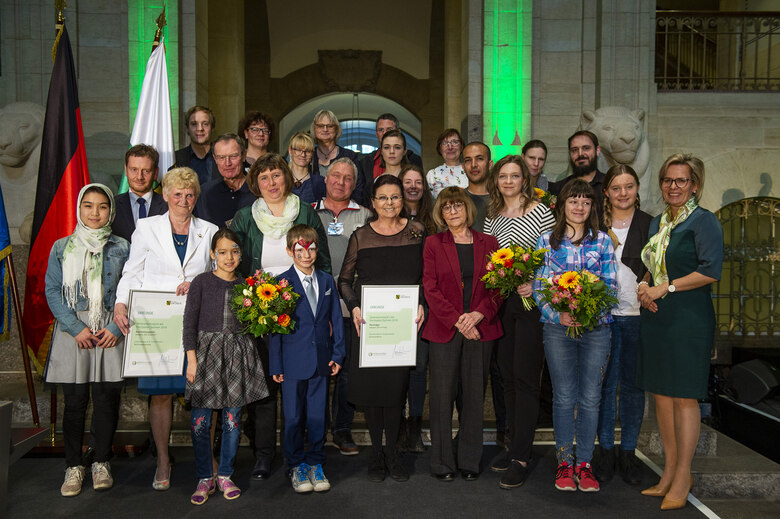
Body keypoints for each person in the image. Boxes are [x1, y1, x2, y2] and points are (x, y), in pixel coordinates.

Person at [114, 167, 218, 491]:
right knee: (160, 396)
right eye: (177, 194)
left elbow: (218, 273)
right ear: (165, 195)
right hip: (156, 324)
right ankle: (162, 459)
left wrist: (198, 283)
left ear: (195, 197)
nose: (183, 200)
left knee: (203, 396)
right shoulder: (145, 229)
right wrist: (120, 302)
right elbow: (132, 271)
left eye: (189, 194)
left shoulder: (211, 230)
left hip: (198, 325)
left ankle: (208, 458)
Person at [229, 153, 331, 480]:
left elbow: (324, 261)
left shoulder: (304, 213)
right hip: (260, 312)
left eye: (276, 176)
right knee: (264, 387)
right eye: (264, 178)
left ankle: (301, 455)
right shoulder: (245, 216)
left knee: (300, 386)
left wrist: (323, 310)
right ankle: (263, 454)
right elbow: (238, 266)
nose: (272, 183)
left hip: (301, 315)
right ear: (255, 184)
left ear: (286, 178)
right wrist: (253, 302)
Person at [637, 154, 723, 511]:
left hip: (689, 318)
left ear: (695, 186)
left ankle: (684, 474)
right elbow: (653, 267)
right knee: (662, 395)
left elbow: (710, 270)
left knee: (685, 397)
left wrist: (665, 288)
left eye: (681, 181)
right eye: (668, 180)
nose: (674, 187)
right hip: (658, 316)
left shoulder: (705, 222)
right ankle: (669, 471)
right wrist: (644, 288)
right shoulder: (659, 222)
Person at [339, 174, 425, 483]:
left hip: (402, 325)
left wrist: (422, 303)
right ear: (373, 203)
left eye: (395, 197)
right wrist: (355, 306)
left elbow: (427, 276)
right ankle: (377, 453)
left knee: (395, 392)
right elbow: (344, 280)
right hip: (369, 324)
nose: (389, 203)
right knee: (372, 393)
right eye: (383, 198)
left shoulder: (417, 232)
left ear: (403, 199)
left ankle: (393, 452)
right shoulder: (361, 236)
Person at [45, 184, 129, 497]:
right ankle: (73, 466)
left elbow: (131, 288)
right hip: (74, 330)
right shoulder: (61, 247)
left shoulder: (123, 247)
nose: (95, 213)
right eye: (88, 206)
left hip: (109, 328)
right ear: (79, 209)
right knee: (75, 402)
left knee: (107, 400)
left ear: (111, 211)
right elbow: (53, 290)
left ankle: (101, 461)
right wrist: (74, 326)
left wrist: (118, 329)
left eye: (102, 206)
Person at [532, 179, 617, 493]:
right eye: (573, 200)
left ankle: (585, 463)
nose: (579, 207)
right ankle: (564, 463)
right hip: (557, 330)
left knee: (591, 399)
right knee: (564, 398)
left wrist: (586, 314)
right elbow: (541, 288)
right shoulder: (546, 241)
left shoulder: (603, 241)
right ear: (562, 205)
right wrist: (560, 314)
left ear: (592, 206)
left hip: (597, 330)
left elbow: (610, 288)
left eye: (585, 201)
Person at [482, 155, 555, 489]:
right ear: (496, 181)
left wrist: (535, 282)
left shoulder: (541, 212)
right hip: (501, 301)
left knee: (526, 379)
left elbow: (555, 255)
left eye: (515, 176)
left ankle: (522, 457)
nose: (508, 181)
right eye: (503, 176)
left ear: (525, 179)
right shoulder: (492, 216)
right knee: (507, 378)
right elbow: (486, 258)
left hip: (530, 303)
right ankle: (513, 445)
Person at [184, 228, 269, 505]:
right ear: (212, 254)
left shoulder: (247, 285)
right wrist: (192, 360)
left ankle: (226, 475)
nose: (229, 257)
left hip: (237, 354)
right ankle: (204, 476)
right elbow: (189, 323)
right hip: (206, 355)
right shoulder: (200, 283)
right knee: (201, 421)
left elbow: (253, 324)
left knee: (233, 420)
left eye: (234, 251)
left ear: (240, 254)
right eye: (222, 252)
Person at [423, 187, 502, 482]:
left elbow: (498, 286)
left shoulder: (489, 242)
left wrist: (478, 315)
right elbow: (430, 288)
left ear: (468, 209)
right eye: (446, 207)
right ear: (440, 213)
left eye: (457, 205)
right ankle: (442, 462)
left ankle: (470, 460)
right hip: (445, 329)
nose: (452, 211)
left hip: (482, 328)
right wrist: (459, 320)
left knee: (473, 396)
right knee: (442, 397)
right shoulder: (433, 243)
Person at [269, 225, 346, 494]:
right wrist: (276, 364)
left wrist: (337, 354)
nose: (306, 254)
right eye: (300, 249)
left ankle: (315, 461)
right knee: (292, 416)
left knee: (316, 415)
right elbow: (275, 328)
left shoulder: (326, 281)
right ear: (291, 251)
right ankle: (296, 464)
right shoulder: (280, 284)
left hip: (321, 360)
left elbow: (335, 318)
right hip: (292, 362)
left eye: (311, 248)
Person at [593, 165, 652, 485]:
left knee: (632, 387)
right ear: (606, 192)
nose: (623, 193)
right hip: (603, 317)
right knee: (604, 387)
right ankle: (605, 450)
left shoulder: (650, 224)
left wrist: (650, 280)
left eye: (629, 186)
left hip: (638, 317)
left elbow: (661, 266)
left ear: (637, 188)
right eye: (616, 188)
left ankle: (628, 451)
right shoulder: (596, 225)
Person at [313, 158, 372, 456]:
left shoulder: (366, 215)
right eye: (335, 175)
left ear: (354, 183)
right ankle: (317, 429)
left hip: (352, 306)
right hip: (316, 307)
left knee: (348, 370)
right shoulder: (307, 213)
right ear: (325, 178)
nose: (341, 182)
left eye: (348, 178)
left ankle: (342, 429)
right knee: (319, 369)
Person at [358, 113, 423, 204]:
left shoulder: (413, 162)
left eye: (397, 147)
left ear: (404, 151)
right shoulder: (365, 163)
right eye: (387, 147)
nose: (391, 152)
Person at [195, 133, 256, 228]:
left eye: (233, 156)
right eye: (221, 157)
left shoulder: (259, 190)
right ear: (215, 159)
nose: (227, 163)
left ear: (244, 155)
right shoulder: (204, 193)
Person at [112, 145, 167, 242]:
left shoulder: (169, 206)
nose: (139, 177)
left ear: (155, 173)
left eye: (146, 171)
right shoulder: (112, 206)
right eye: (134, 170)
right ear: (126, 170)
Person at [550, 130, 605, 221]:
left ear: (597, 150)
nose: (580, 154)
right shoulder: (559, 188)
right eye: (575, 150)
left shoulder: (610, 185)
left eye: (586, 148)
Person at [310, 110, 361, 179]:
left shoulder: (350, 156)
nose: (325, 129)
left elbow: (359, 187)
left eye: (330, 126)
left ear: (336, 129)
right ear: (314, 129)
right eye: (320, 126)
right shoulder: (308, 156)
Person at [173, 106, 217, 184]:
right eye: (194, 124)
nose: (200, 129)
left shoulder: (223, 157)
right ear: (187, 128)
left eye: (205, 124)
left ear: (212, 128)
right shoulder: (175, 159)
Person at [426, 128, 467, 198]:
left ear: (461, 146)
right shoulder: (432, 175)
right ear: (440, 149)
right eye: (444, 143)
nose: (450, 147)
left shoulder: (470, 170)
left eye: (454, 142)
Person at [287, 131, 325, 204]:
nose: (303, 155)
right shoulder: (281, 179)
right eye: (298, 150)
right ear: (290, 151)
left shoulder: (320, 182)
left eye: (307, 151)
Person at [462, 141, 493, 232]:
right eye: (468, 160)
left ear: (490, 165)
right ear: (463, 167)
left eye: (479, 159)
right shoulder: (456, 200)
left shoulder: (502, 199)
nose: (473, 165)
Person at [400, 164, 436, 235]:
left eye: (418, 182)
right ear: (400, 186)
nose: (413, 186)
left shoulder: (433, 214)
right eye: (408, 182)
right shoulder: (393, 214)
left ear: (423, 186)